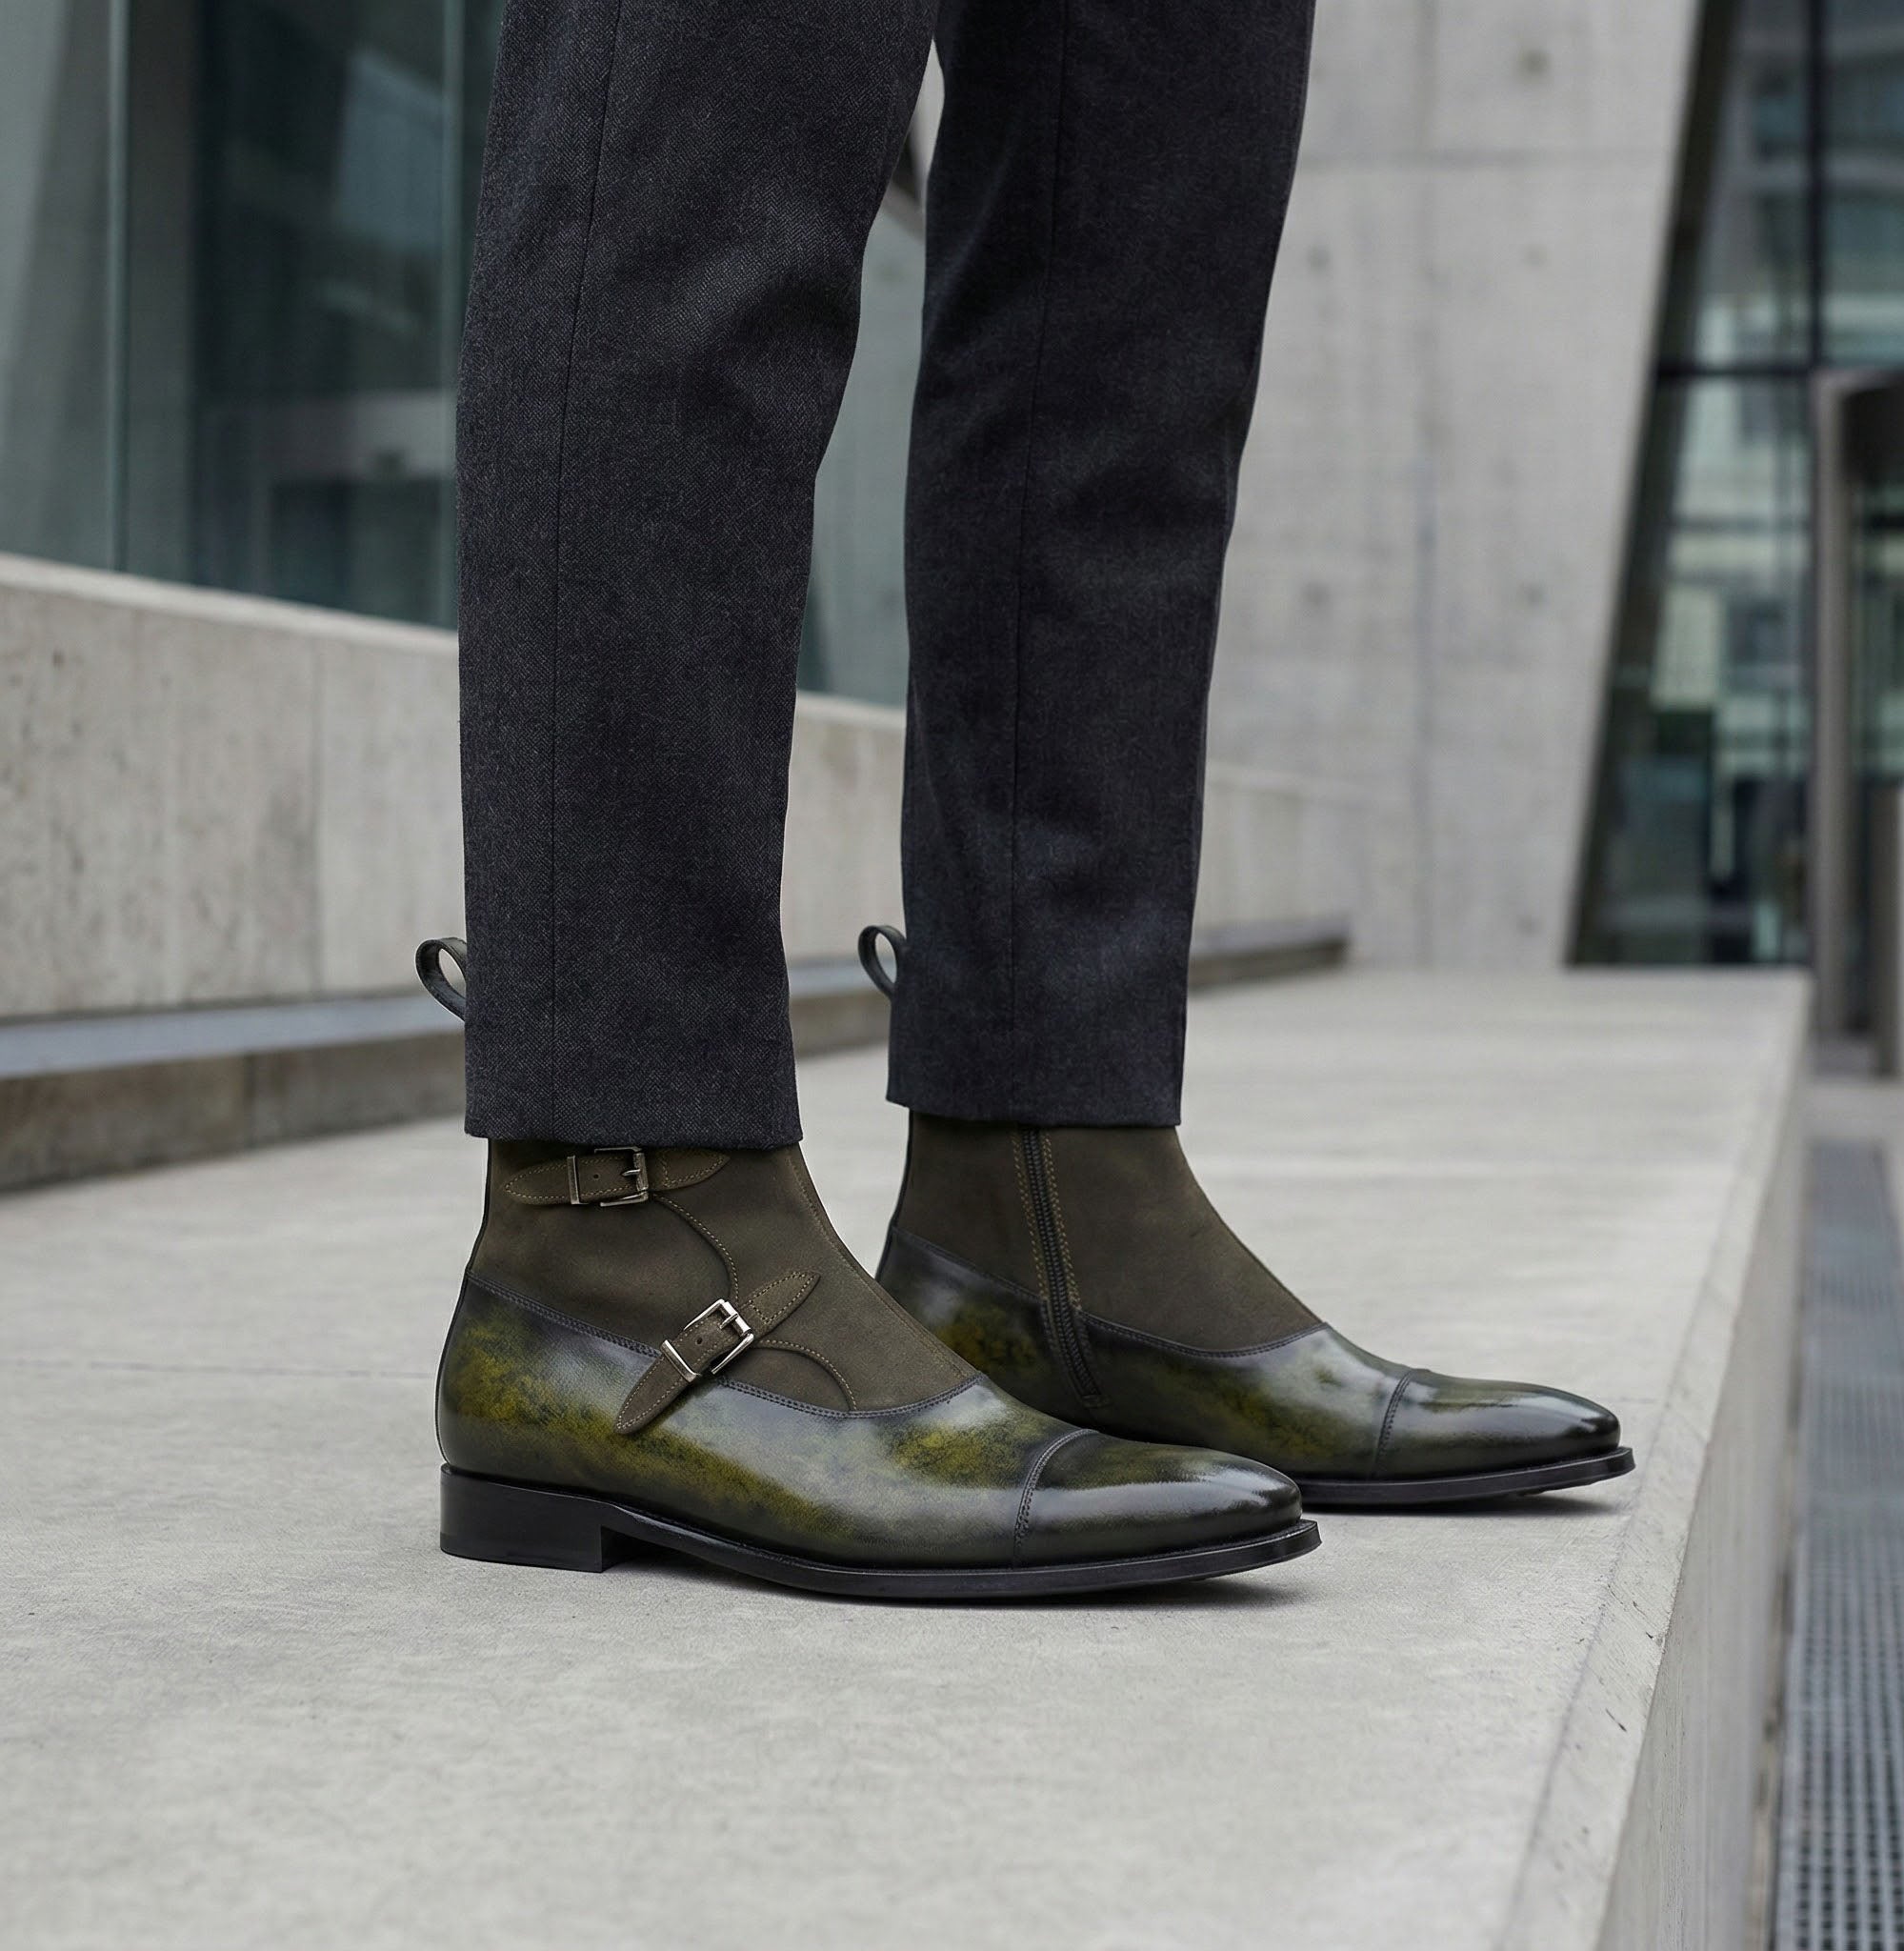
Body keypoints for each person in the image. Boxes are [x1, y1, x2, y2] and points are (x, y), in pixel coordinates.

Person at [418, 0, 1631, 1598]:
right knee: (708, 122)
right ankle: (617, 1223)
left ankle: (1051, 1187)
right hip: (620, 1216)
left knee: (1141, 270)